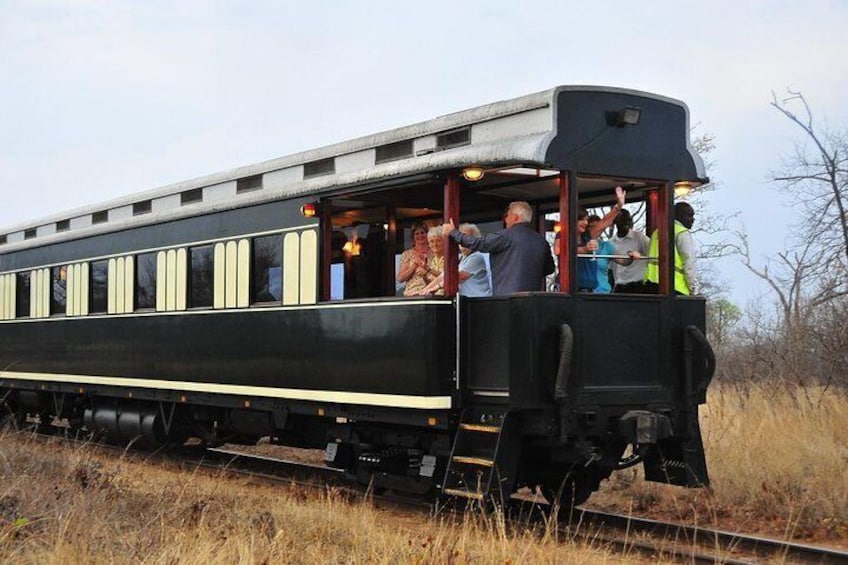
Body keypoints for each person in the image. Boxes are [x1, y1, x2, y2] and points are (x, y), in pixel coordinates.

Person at [443, 201, 554, 295]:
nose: (505, 219)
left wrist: (453, 232)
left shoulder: (505, 236)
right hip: (534, 300)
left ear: (515, 217)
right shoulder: (541, 241)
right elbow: (549, 268)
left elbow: (478, 243)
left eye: (506, 216)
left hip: (506, 299)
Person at [573, 186, 626, 292]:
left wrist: (618, 206)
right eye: (582, 220)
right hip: (571, 291)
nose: (586, 223)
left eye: (587, 220)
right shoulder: (563, 235)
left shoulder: (587, 236)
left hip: (590, 289)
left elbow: (604, 222)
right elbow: (560, 250)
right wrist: (584, 250)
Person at [419, 223, 492, 297]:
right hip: (465, 301)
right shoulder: (460, 257)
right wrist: (423, 291)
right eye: (461, 240)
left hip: (479, 301)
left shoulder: (477, 257)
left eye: (466, 239)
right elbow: (442, 276)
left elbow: (455, 277)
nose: (462, 243)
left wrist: (434, 288)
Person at [644, 201, 697, 295]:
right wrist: (693, 289)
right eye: (689, 215)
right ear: (679, 216)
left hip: (651, 285)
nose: (693, 219)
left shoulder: (657, 232)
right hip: (675, 288)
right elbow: (689, 263)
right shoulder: (682, 233)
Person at [610, 209, 650, 293]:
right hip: (619, 287)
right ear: (615, 222)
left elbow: (652, 256)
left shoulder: (640, 237)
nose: (627, 223)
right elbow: (610, 269)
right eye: (623, 220)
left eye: (629, 219)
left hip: (639, 286)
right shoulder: (610, 243)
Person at [397, 222, 432, 296]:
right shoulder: (407, 254)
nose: (420, 235)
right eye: (417, 233)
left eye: (422, 232)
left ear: (427, 235)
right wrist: (415, 265)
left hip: (430, 292)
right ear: (413, 237)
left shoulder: (434, 252)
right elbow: (400, 278)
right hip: (411, 293)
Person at [586, 215, 617, 293]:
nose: (595, 230)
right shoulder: (580, 245)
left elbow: (623, 261)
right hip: (584, 292)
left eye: (597, 227)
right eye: (591, 227)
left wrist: (632, 255)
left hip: (603, 292)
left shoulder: (607, 246)